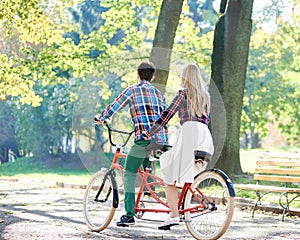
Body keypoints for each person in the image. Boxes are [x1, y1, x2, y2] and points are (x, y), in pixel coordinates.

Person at [94, 61, 168, 227]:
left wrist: (102, 118)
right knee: (143, 170)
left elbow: (115, 106)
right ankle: (141, 201)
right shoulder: (158, 93)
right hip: (161, 140)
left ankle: (129, 215)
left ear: (137, 74)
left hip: (144, 139)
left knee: (128, 171)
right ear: (153, 76)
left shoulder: (132, 90)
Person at [143, 63, 214, 230]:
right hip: (204, 134)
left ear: (185, 77)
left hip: (189, 132)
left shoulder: (183, 93)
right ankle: (180, 209)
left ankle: (174, 216)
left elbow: (167, 115)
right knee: (186, 174)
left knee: (169, 177)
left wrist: (150, 133)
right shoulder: (205, 96)